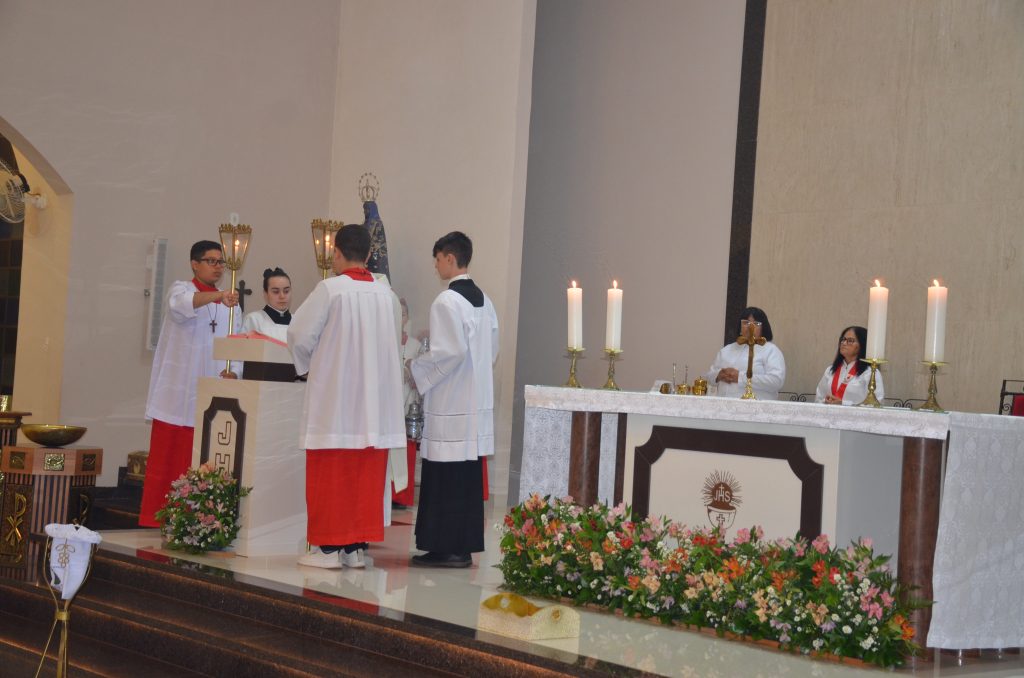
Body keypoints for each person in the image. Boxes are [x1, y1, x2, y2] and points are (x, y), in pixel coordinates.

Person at [288, 224, 405, 569]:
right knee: (365, 476)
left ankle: (326, 550)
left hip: (336, 400)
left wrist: (311, 367)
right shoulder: (387, 295)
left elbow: (299, 334)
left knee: (332, 473)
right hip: (375, 405)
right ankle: (354, 548)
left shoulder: (331, 289)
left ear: (336, 253)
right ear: (369, 255)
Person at [409, 231, 499, 568]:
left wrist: (415, 367)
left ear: (450, 258)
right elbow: (491, 350)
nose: (435, 266)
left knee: (445, 475)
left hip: (451, 402)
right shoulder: (484, 300)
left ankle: (444, 547)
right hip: (473, 402)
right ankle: (461, 547)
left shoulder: (446, 301)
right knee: (465, 477)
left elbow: (450, 352)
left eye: (437, 259)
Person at [140, 240, 239, 527]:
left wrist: (235, 372)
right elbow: (181, 306)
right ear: (195, 263)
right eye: (212, 261)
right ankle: (158, 518)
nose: (218, 267)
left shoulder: (229, 306)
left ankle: (199, 521)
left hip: (213, 393)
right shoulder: (181, 289)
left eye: (221, 262)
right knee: (171, 456)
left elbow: (236, 342)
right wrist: (218, 295)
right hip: (178, 392)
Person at [706, 306, 786, 400]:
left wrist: (740, 377)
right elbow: (710, 376)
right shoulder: (726, 350)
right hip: (724, 407)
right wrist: (718, 375)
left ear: (763, 328)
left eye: (756, 323)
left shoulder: (770, 350)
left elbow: (776, 381)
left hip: (757, 408)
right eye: (746, 323)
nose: (750, 327)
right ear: (740, 326)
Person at [391, 297, 420, 509]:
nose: (398, 318)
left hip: (407, 403)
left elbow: (421, 374)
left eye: (402, 314)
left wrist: (412, 374)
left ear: (407, 317)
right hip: (389, 404)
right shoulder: (384, 341)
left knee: (407, 452)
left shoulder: (415, 345)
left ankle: (403, 497)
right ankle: (389, 494)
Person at [814, 325, 884, 405]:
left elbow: (876, 403)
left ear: (862, 345)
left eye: (850, 340)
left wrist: (843, 403)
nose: (843, 343)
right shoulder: (830, 370)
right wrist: (825, 401)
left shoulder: (870, 373)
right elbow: (818, 398)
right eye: (843, 339)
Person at [241, 267, 292, 341]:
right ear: (265, 294)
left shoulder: (298, 322)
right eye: (276, 292)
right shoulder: (254, 320)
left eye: (286, 291)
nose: (282, 296)